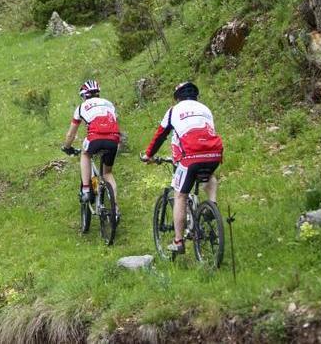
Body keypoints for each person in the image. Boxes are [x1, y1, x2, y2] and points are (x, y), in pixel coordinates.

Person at [140, 81, 224, 252]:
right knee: (210, 175)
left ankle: (178, 242)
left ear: (177, 98)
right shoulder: (206, 109)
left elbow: (160, 136)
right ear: (196, 96)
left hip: (190, 157)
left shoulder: (173, 111)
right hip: (214, 154)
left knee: (180, 196)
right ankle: (212, 205)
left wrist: (148, 155)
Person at [61, 80, 121, 204]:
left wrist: (67, 146)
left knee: (85, 154)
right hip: (113, 139)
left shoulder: (81, 107)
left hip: (95, 138)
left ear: (84, 95)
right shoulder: (109, 104)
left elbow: (71, 133)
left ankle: (86, 189)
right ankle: (115, 211)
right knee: (108, 173)